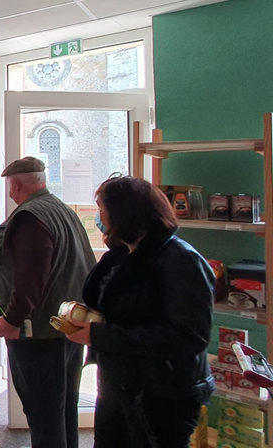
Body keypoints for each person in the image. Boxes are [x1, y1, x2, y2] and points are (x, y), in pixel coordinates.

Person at [66, 176, 214, 447]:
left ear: (124, 212)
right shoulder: (124, 255)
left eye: (101, 208)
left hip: (162, 395)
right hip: (120, 385)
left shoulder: (181, 260)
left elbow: (189, 336)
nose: (99, 217)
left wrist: (100, 336)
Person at [0, 156, 95, 448]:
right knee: (63, 408)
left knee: (43, 415)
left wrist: (12, 319)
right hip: (66, 329)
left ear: (15, 185)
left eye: (9, 185)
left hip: (38, 335)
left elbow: (31, 277)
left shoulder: (30, 217)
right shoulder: (61, 209)